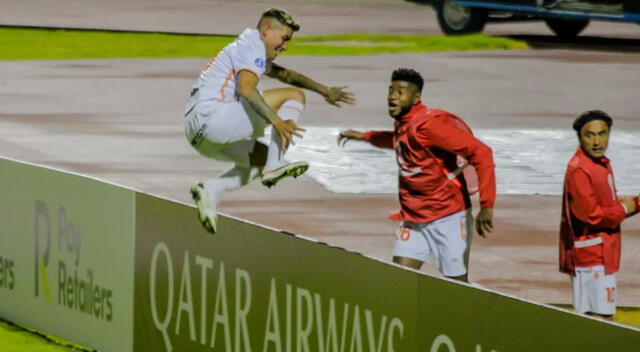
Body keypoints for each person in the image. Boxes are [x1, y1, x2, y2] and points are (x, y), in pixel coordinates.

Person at [185, 8, 355, 233]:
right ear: (266, 31)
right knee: (294, 96)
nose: (285, 46)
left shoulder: (247, 47)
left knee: (259, 160)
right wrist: (276, 121)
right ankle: (275, 165)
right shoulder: (252, 45)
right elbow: (246, 89)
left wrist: (324, 90)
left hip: (197, 134)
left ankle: (210, 189)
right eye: (284, 39)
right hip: (215, 120)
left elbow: (286, 75)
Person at [337, 68, 495, 282]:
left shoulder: (431, 126)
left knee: (456, 289)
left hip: (447, 216)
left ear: (416, 97)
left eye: (400, 92)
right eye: (390, 90)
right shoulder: (405, 122)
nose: (392, 96)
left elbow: (481, 152)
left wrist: (487, 205)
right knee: (400, 280)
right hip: (414, 217)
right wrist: (364, 136)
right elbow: (399, 141)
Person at [559, 110, 639, 319]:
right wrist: (624, 209)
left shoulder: (600, 164)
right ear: (579, 137)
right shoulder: (580, 170)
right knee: (600, 320)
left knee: (599, 319)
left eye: (602, 134)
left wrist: (633, 205)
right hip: (591, 258)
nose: (597, 141)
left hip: (601, 254)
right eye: (590, 135)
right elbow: (591, 216)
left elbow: (606, 207)